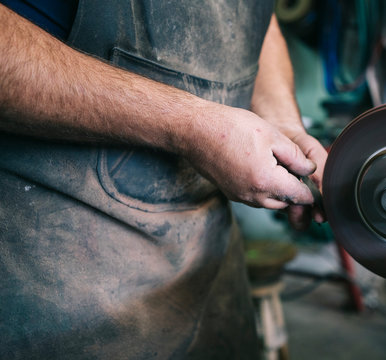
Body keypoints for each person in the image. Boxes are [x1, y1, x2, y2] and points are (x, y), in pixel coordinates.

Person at [0, 1, 327, 358]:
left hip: (213, 273)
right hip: (66, 295)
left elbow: (255, 23)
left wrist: (284, 124)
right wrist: (192, 125)